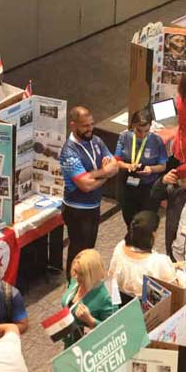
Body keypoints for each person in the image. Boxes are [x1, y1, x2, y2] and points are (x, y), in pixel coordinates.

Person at [59, 106, 119, 274]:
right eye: (85, 126)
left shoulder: (96, 141)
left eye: (91, 124)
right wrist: (105, 174)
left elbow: (115, 166)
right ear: (73, 125)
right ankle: (73, 285)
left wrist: (100, 174)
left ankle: (85, 285)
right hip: (77, 210)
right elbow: (85, 185)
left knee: (89, 250)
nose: (90, 129)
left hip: (94, 206)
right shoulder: (68, 152)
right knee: (78, 253)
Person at [113, 109, 168, 227]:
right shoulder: (124, 137)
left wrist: (151, 169)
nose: (142, 135)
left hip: (148, 188)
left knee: (146, 224)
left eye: (146, 131)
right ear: (133, 125)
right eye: (139, 130)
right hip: (127, 186)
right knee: (130, 222)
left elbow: (163, 166)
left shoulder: (156, 141)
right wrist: (128, 165)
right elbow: (116, 161)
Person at [108, 212, 177, 303]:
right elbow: (174, 291)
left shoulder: (120, 247)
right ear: (153, 234)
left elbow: (112, 279)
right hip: (150, 311)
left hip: (122, 305)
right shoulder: (159, 261)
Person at [60, 249, 117, 347]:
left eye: (81, 274)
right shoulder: (76, 281)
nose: (76, 277)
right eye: (75, 271)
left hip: (90, 349)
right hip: (71, 343)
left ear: (92, 273)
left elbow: (113, 331)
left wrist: (90, 320)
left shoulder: (107, 296)